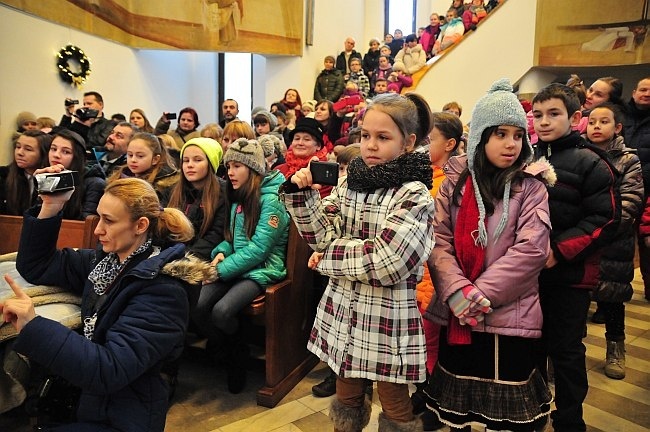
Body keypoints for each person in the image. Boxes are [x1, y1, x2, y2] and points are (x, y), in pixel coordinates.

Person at [1, 177, 213, 431]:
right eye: (99, 217)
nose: (97, 229)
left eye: (109, 221)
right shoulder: (107, 263)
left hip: (121, 417)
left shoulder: (164, 291)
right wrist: (52, 206)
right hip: (85, 402)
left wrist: (34, 325)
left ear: (140, 225)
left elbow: (109, 369)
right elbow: (37, 265)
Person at [281, 92, 435, 432]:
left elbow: (389, 261)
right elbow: (321, 236)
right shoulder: (351, 181)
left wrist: (327, 261)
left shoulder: (413, 193)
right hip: (344, 309)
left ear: (408, 142)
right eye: (366, 136)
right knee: (346, 392)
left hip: (387, 316)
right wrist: (301, 195)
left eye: (383, 137)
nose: (371, 146)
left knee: (395, 400)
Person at [420, 78, 553, 432]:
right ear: (480, 136)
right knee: (460, 415)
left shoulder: (531, 186)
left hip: (508, 313)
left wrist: (478, 295)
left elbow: (532, 250)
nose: (512, 144)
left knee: (507, 419)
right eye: (501, 134)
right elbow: (438, 240)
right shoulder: (454, 182)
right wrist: (457, 291)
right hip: (458, 311)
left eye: (518, 135)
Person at [532, 83, 620, 431]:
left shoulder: (591, 162)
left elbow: (605, 218)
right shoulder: (528, 158)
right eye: (538, 115)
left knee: (566, 351)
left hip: (570, 275)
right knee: (531, 349)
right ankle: (533, 411)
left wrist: (558, 251)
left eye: (554, 114)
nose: (544, 122)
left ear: (575, 117)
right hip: (529, 275)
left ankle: (569, 419)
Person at [192, 138, 289, 394]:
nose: (230, 173)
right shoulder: (239, 196)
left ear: (254, 168)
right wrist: (221, 252)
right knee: (199, 306)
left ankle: (237, 357)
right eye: (228, 167)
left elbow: (259, 250)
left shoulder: (273, 200)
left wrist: (219, 271)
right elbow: (230, 238)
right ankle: (231, 346)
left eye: (236, 166)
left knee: (222, 311)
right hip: (236, 265)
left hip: (262, 269)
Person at [585, 103, 644, 379]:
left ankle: (615, 349)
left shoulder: (628, 160)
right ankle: (568, 352)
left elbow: (630, 201)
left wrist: (601, 229)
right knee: (576, 301)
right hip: (582, 240)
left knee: (612, 299)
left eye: (603, 121)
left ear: (617, 127)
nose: (596, 126)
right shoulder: (578, 154)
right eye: (592, 121)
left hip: (612, 241)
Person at [167, 137, 227, 262]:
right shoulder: (173, 190)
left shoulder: (224, 192)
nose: (190, 165)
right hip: (171, 255)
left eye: (198, 160)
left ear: (210, 163)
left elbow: (215, 235)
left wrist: (185, 260)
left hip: (200, 259)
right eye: (185, 160)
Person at [624, 77, 650, 301]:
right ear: (634, 92)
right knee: (621, 237)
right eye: (643, 89)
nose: (647, 93)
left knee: (647, 239)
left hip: (649, 188)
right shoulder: (623, 116)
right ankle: (616, 292)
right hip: (623, 186)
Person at [46, 129, 106, 219]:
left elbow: (86, 223)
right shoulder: (46, 175)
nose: (56, 155)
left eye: (66, 152)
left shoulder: (94, 183)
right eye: (53, 149)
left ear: (77, 156)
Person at [108, 132, 180, 204]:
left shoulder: (164, 187)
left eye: (140, 156)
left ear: (155, 159)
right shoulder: (117, 176)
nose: (133, 160)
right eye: (130, 155)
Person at [0, 130, 51, 215]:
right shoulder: (3, 175)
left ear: (44, 153)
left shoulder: (51, 179)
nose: (19, 153)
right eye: (18, 147)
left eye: (28, 149)